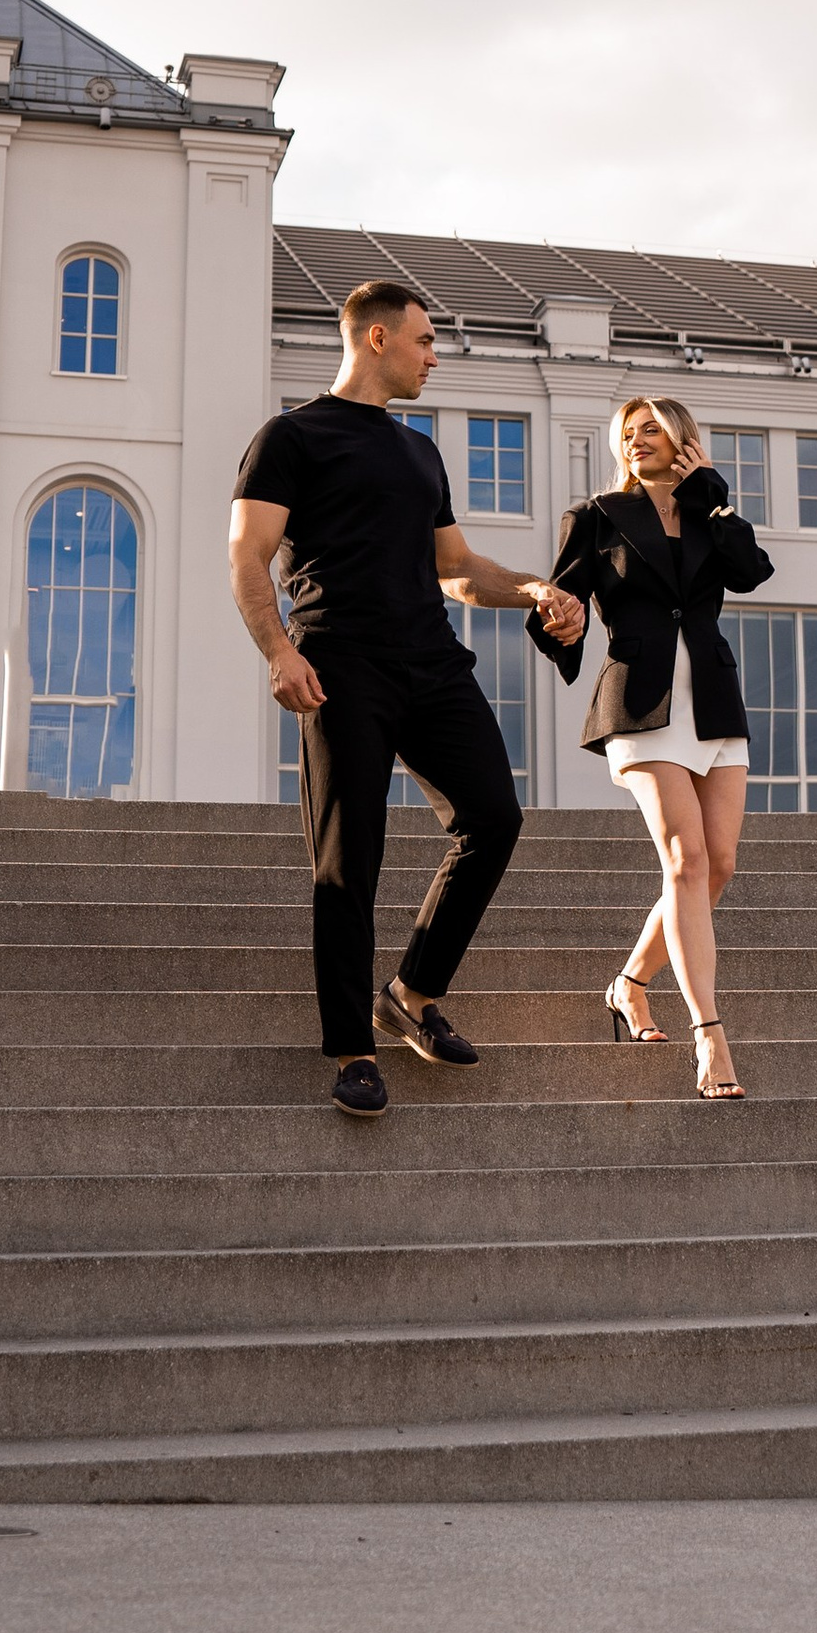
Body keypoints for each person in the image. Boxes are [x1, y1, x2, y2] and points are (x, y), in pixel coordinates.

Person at [230, 281, 585, 1117]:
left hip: (431, 661)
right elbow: (248, 555)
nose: (434, 357)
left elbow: (456, 569)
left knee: (493, 817)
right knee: (349, 858)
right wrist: (278, 651)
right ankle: (354, 1047)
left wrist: (536, 588)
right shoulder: (291, 436)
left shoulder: (420, 451)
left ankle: (413, 995)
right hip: (338, 661)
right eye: (426, 341)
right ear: (378, 338)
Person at [533, 395, 773, 1101]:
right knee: (685, 859)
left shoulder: (710, 512)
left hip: (714, 702)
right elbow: (561, 603)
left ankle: (630, 984)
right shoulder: (599, 515)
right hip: (640, 703)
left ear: (681, 441)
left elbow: (751, 572)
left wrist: (715, 498)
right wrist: (562, 624)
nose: (637, 442)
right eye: (628, 433)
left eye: (652, 431)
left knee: (717, 866)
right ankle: (711, 1036)